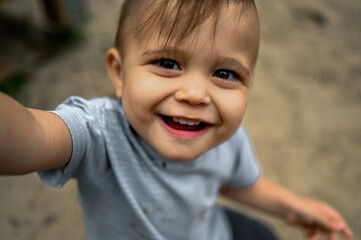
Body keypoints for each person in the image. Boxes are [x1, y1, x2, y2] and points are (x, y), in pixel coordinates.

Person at [0, 0, 353, 239]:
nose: (196, 94)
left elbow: (236, 182)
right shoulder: (98, 133)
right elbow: (30, 135)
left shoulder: (224, 135)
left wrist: (296, 206)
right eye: (168, 64)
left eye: (226, 73)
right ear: (120, 73)